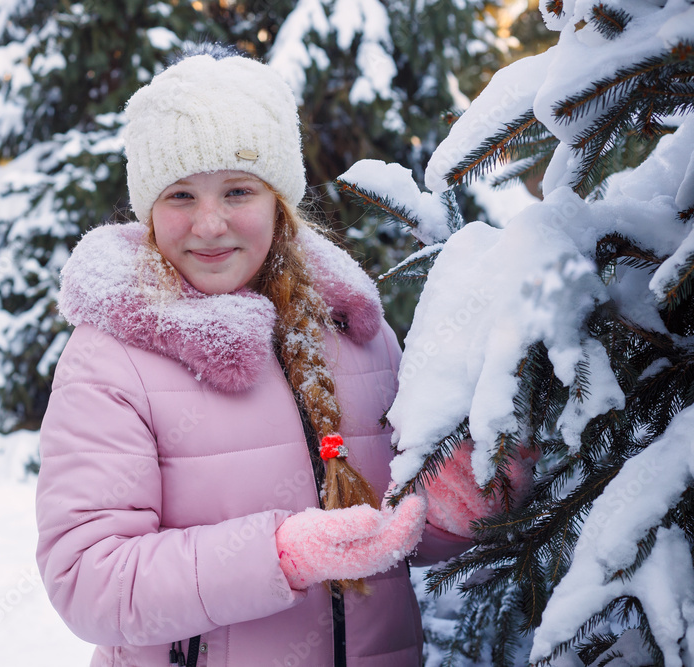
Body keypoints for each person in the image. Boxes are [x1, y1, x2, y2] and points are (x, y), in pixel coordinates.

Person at [35, 46, 533, 667]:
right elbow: (89, 582)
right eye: (180, 195)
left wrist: (454, 510)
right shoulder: (111, 358)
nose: (209, 224)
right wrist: (279, 555)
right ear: (148, 207)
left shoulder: (357, 331)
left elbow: (391, 538)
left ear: (279, 200)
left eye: (237, 190)